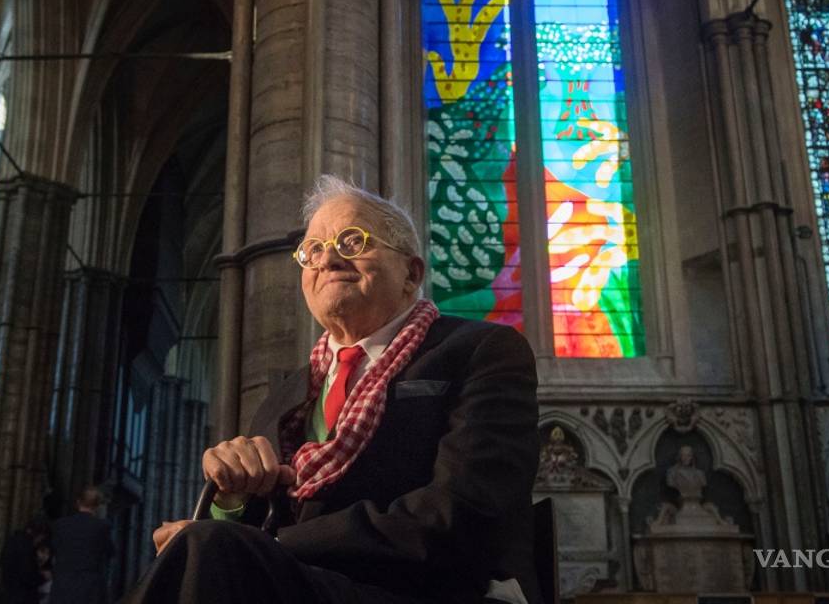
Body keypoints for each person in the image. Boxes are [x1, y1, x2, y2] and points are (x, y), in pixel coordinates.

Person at [126, 175, 542, 604]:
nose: (328, 259)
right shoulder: (288, 394)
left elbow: (464, 512)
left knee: (207, 551)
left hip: (426, 589)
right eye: (313, 250)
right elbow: (247, 527)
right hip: (299, 585)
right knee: (192, 551)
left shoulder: (479, 350)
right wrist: (229, 498)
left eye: (353, 241)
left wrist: (277, 544)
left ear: (411, 272)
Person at [49, 487, 114, 604]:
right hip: (89, 589)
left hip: (62, 586)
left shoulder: (60, 525)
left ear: (78, 502)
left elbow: (53, 549)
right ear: (98, 505)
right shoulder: (101, 527)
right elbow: (110, 552)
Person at [0, 517, 51, 604]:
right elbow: (28, 577)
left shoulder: (12, 540)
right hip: (22, 596)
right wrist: (43, 577)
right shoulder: (27, 547)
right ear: (39, 535)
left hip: (8, 592)